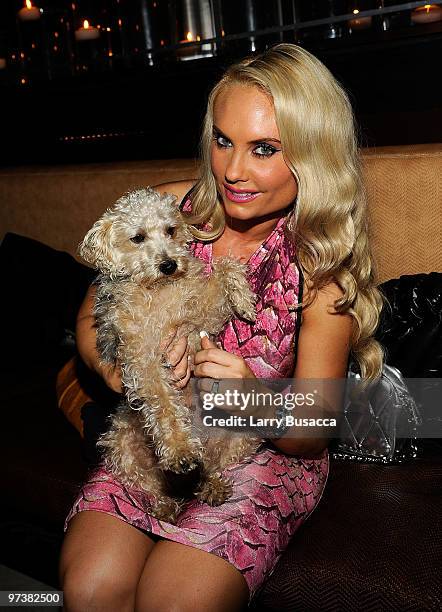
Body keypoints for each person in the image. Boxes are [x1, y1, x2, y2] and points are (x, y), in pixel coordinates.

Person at [59, 43, 384, 611]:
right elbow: (91, 319)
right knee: (89, 588)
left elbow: (314, 427)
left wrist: (245, 397)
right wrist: (128, 374)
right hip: (153, 435)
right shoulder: (167, 210)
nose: (233, 170)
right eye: (224, 141)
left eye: (264, 149)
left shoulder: (321, 268)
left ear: (313, 155)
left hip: (263, 456)